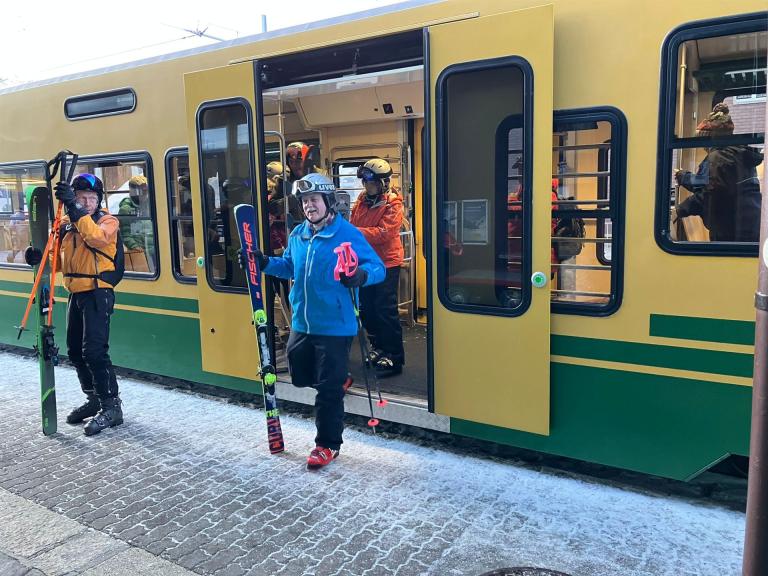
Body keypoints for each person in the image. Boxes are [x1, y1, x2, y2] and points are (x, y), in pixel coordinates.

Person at [242, 173, 385, 469]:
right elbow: (289, 266)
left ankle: (327, 444)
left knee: (327, 391)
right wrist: (264, 262)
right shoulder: (298, 235)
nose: (309, 206)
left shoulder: (347, 234)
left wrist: (361, 275)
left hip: (335, 325)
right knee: (300, 374)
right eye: (305, 201)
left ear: (328, 201)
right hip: (303, 323)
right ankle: (337, 376)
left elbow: (378, 268)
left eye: (314, 200)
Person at [28, 174, 123, 435]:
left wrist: (73, 208)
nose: (87, 203)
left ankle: (112, 406)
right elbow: (57, 263)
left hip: (98, 292)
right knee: (75, 352)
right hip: (76, 294)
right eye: (82, 198)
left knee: (95, 352)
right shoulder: (68, 227)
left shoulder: (107, 221)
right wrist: (39, 257)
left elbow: (97, 239)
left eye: (92, 198)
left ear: (99, 200)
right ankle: (94, 399)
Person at [675, 103, 763, 242]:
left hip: (731, 229)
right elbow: (706, 183)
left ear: (710, 138)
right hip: (747, 225)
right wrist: (684, 177)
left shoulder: (719, 158)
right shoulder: (736, 154)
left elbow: (711, 195)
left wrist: (681, 209)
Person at [349, 158, 405, 377]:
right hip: (366, 262)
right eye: (365, 182)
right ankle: (378, 347)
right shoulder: (361, 201)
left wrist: (356, 233)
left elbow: (385, 233)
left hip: (387, 263)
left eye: (371, 182)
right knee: (367, 309)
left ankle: (394, 356)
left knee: (385, 309)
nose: (367, 186)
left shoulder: (393, 203)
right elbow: (353, 223)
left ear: (383, 183)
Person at [118, 174, 155, 265]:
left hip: (155, 250)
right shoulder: (126, 209)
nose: (144, 194)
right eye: (140, 191)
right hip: (139, 252)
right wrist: (134, 246)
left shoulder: (151, 205)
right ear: (133, 192)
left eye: (145, 191)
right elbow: (125, 233)